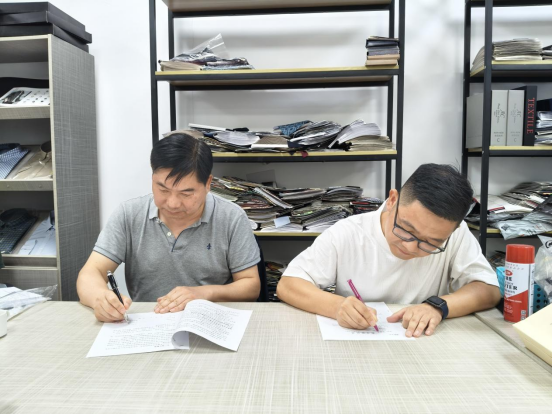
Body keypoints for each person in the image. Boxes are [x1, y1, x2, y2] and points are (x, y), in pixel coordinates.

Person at [277, 164, 501, 338]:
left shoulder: (456, 234)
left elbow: (488, 290)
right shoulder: (348, 232)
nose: (410, 247)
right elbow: (288, 284)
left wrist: (439, 306)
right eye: (406, 230)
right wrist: (337, 306)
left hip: (422, 343)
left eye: (431, 243)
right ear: (393, 200)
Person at [77, 133, 261, 322]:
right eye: (163, 190)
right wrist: (100, 299)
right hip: (147, 322)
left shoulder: (231, 217)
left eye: (186, 194)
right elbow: (91, 273)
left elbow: (250, 286)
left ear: (208, 184)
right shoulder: (129, 214)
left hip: (208, 321)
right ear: (152, 178)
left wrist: (203, 294)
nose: (173, 203)